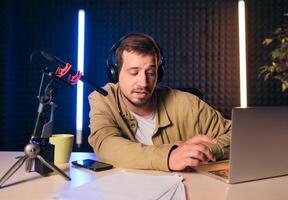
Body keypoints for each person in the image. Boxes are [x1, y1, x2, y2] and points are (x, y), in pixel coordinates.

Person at [88, 33, 231, 172]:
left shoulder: (188, 104)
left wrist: (200, 150)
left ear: (159, 74)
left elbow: (237, 137)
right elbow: (105, 144)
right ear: (115, 73)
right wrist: (169, 155)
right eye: (134, 72)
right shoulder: (103, 98)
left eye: (150, 73)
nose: (143, 82)